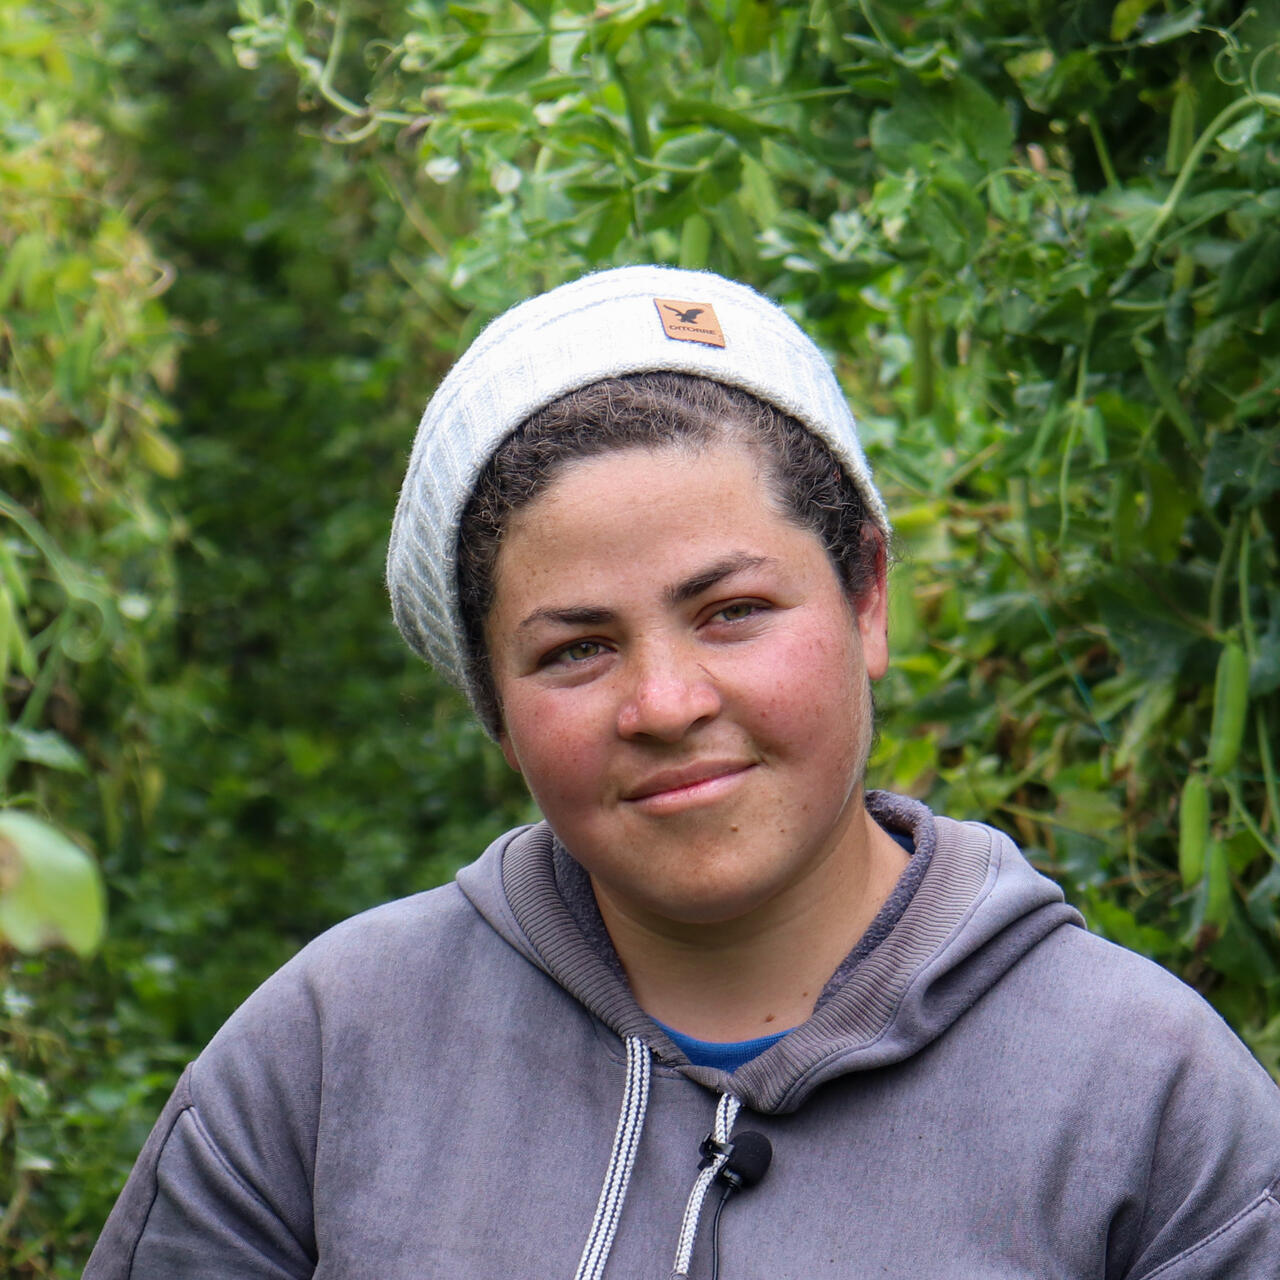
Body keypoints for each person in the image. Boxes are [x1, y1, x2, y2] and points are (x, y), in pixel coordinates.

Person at [85, 265, 1280, 1279]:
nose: (664, 703)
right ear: (491, 706)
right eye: (576, 648)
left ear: (865, 596)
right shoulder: (327, 1050)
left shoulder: (1148, 1097)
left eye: (732, 610)